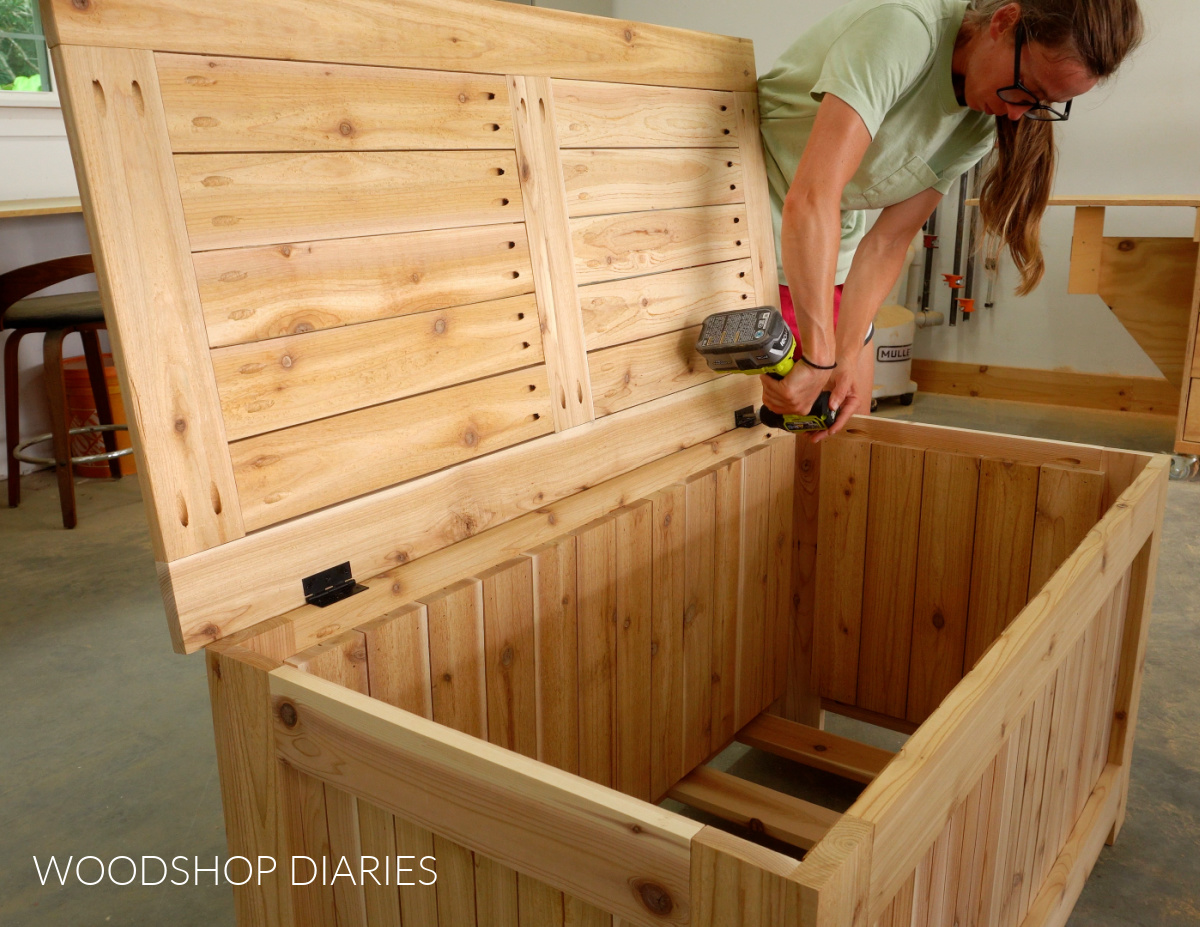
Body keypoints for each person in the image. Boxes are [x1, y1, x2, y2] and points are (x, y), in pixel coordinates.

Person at [756, 0, 1143, 440]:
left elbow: (889, 240)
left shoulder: (980, 121)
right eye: (1025, 88)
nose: (1018, 114)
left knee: (848, 414)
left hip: (827, 234)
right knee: (764, 421)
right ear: (1004, 21)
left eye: (1044, 104)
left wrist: (842, 355)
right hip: (747, 211)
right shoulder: (904, 31)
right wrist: (820, 356)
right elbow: (813, 195)